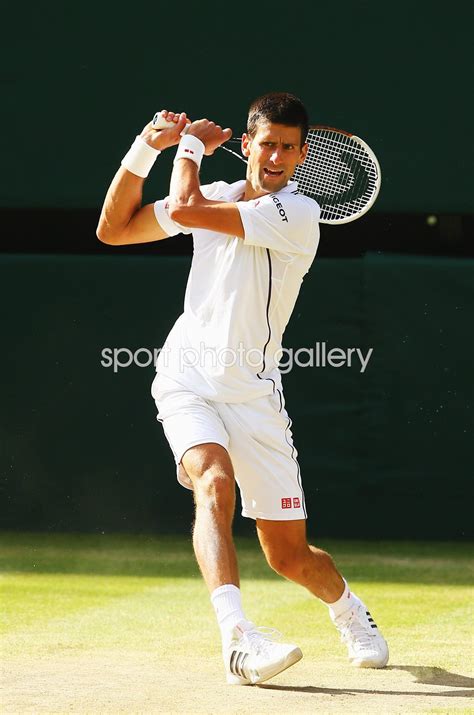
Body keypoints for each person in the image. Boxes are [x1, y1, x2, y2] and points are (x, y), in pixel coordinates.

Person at [97, 92, 388, 685]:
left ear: (303, 154)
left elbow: (184, 205)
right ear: (248, 145)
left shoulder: (297, 214)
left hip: (254, 396)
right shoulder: (222, 194)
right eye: (267, 143)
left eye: (289, 146)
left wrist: (188, 147)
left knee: (289, 557)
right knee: (213, 483)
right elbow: (113, 230)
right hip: (187, 380)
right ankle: (238, 639)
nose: (276, 155)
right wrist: (140, 150)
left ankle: (348, 610)